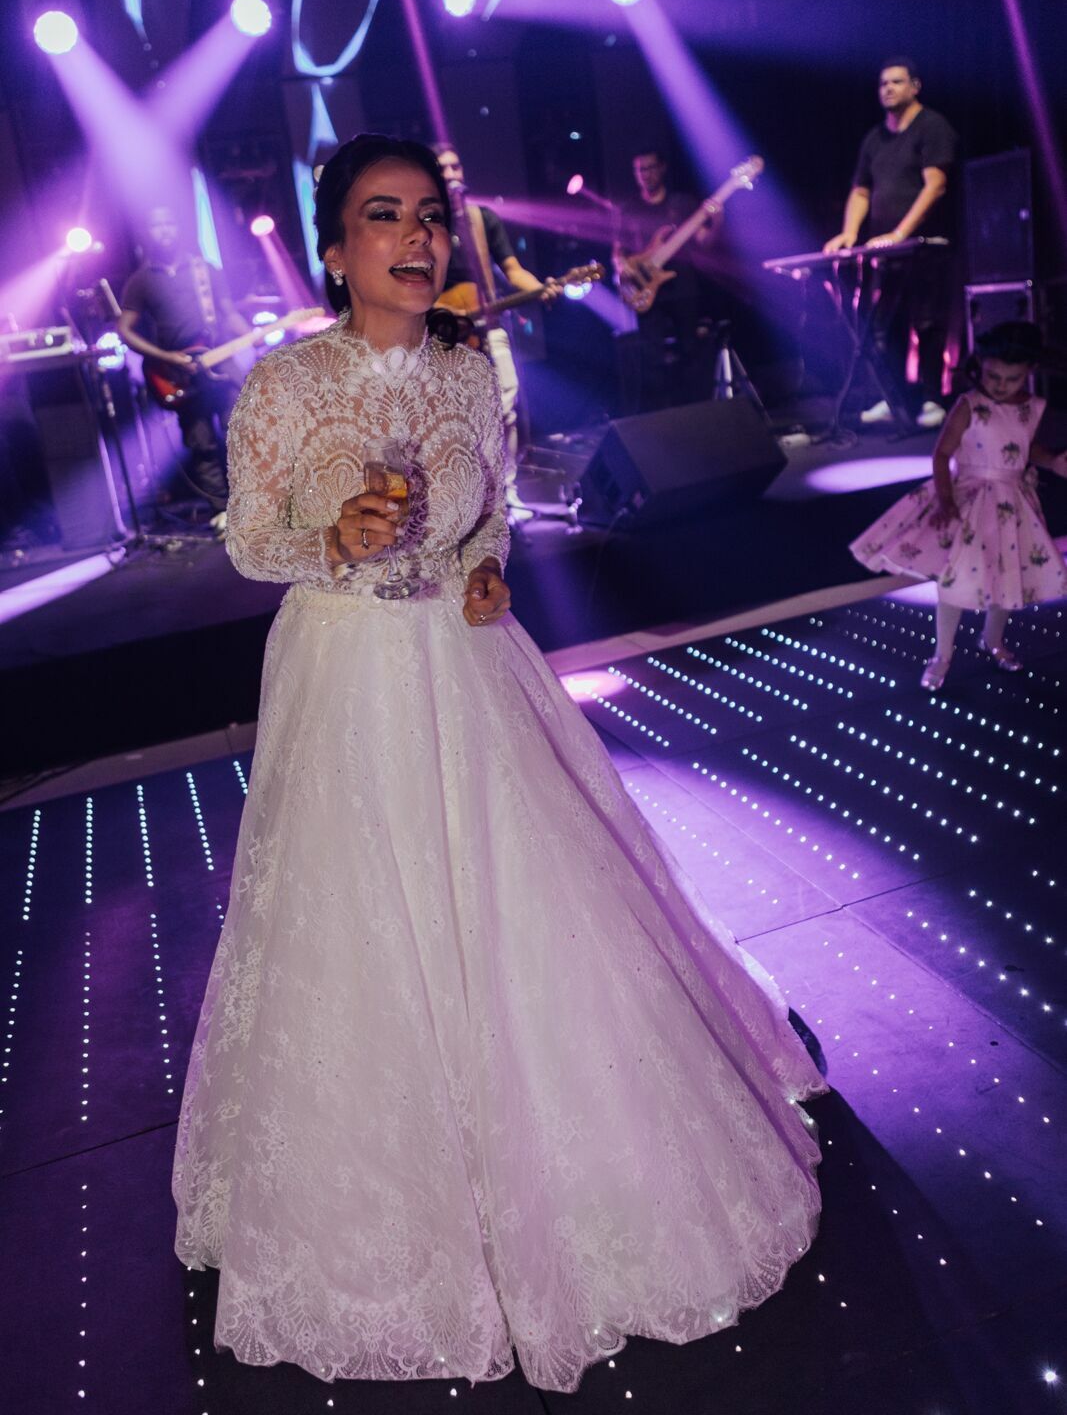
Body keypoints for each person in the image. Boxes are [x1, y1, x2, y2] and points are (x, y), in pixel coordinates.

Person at [172, 133, 825, 1393]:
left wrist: (483, 571)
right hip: (345, 675)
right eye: (383, 218)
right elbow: (249, 540)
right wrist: (329, 533)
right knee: (360, 934)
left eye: (427, 217)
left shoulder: (475, 378)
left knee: (534, 919)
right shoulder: (285, 388)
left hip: (470, 676)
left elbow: (494, 521)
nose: (416, 240)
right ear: (333, 248)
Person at [850, 320, 1067, 689]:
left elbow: (1026, 449)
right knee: (955, 581)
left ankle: (993, 640)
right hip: (973, 501)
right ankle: (942, 654)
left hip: (1013, 505)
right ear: (981, 365)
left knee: (1007, 576)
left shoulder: (1032, 407)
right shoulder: (971, 405)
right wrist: (946, 499)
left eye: (1010, 379)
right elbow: (942, 453)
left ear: (1028, 373)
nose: (1000, 385)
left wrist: (1054, 461)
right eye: (993, 375)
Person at [824, 57, 958, 429]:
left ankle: (933, 398)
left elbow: (936, 185)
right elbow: (861, 190)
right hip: (888, 250)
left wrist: (901, 233)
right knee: (885, 324)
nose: (888, 89)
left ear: (915, 86)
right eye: (883, 83)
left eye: (896, 82)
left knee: (928, 322)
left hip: (926, 245)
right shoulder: (874, 138)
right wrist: (850, 233)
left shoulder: (932, 127)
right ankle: (894, 396)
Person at [118, 206, 258, 532]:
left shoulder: (205, 270)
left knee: (242, 432)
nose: (164, 230)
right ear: (147, 233)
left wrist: (251, 336)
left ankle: (255, 505)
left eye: (170, 223)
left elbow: (227, 312)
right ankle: (222, 511)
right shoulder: (140, 281)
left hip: (218, 361)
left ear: (178, 228)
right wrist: (164, 358)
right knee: (201, 443)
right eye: (157, 225)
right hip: (178, 371)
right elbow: (124, 330)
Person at [434, 142, 558, 509]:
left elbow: (513, 269)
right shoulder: (425, 225)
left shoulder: (481, 219)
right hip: (444, 335)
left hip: (489, 327)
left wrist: (540, 288)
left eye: (456, 167)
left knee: (506, 406)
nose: (453, 174)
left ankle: (508, 492)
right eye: (443, 169)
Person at [612, 146, 720, 413]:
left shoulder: (681, 204)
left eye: (649, 168)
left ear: (662, 168)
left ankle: (696, 413)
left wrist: (717, 220)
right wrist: (623, 268)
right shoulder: (629, 209)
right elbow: (618, 251)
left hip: (683, 286)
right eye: (639, 170)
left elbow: (704, 242)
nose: (645, 174)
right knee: (651, 358)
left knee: (691, 352)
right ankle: (661, 418)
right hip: (647, 288)